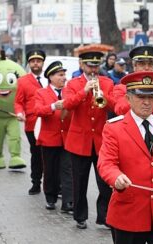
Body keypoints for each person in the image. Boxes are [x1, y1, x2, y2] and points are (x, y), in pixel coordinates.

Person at [98, 71, 153, 244]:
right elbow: (106, 163)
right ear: (128, 99)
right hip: (128, 214)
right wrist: (116, 177)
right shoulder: (114, 128)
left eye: (151, 97)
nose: (146, 102)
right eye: (140, 97)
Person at [62, 48, 116, 229]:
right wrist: (85, 91)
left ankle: (105, 216)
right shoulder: (72, 84)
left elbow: (115, 106)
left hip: (102, 140)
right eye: (89, 65)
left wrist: (102, 95)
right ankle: (80, 216)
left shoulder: (107, 82)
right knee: (80, 181)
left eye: (96, 65)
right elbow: (68, 104)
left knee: (105, 182)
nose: (93, 69)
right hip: (79, 141)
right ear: (81, 65)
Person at [33, 61, 73, 213]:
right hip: (49, 139)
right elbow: (37, 110)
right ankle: (50, 197)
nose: (64, 78)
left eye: (64, 75)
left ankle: (68, 202)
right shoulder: (41, 93)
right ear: (51, 77)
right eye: (60, 75)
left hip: (67, 138)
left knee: (67, 170)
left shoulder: (69, 92)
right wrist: (52, 106)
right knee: (50, 170)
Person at [14, 50, 47, 195]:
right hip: (32, 124)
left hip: (50, 122)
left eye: (38, 60)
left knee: (50, 155)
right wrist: (19, 113)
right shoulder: (23, 81)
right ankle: (36, 182)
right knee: (36, 154)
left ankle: (53, 184)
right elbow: (18, 102)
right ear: (29, 63)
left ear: (42, 63)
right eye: (32, 61)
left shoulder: (49, 78)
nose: (35, 63)